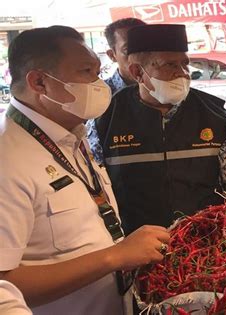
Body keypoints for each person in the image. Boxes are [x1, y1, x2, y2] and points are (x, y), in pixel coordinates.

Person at [0, 26, 170, 315]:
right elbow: (5, 284)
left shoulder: (69, 135)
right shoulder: (9, 159)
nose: (98, 82)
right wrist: (115, 256)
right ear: (40, 82)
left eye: (98, 71)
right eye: (86, 72)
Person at [94, 24, 226, 234]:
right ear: (137, 72)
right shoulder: (106, 119)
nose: (182, 74)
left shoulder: (215, 117)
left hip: (205, 244)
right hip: (135, 249)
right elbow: (97, 192)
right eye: (169, 65)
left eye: (184, 64)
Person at [87, 18, 146, 164]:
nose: (140, 56)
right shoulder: (99, 96)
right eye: (128, 50)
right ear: (112, 55)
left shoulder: (172, 93)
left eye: (146, 47)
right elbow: (96, 161)